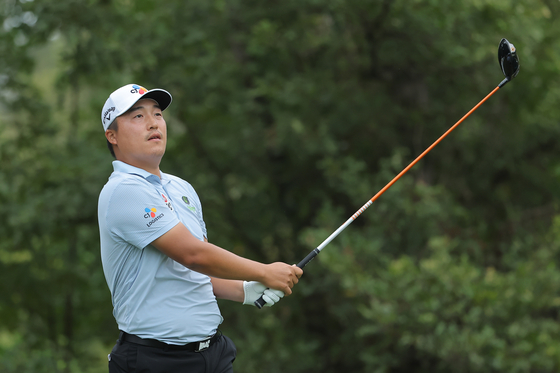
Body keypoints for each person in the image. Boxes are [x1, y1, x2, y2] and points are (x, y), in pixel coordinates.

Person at [98, 83, 303, 373]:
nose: (154, 122)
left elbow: (197, 271)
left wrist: (246, 290)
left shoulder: (181, 188)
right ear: (113, 136)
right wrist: (264, 271)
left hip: (213, 354)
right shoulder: (123, 190)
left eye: (157, 114)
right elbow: (193, 254)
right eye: (138, 117)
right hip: (155, 359)